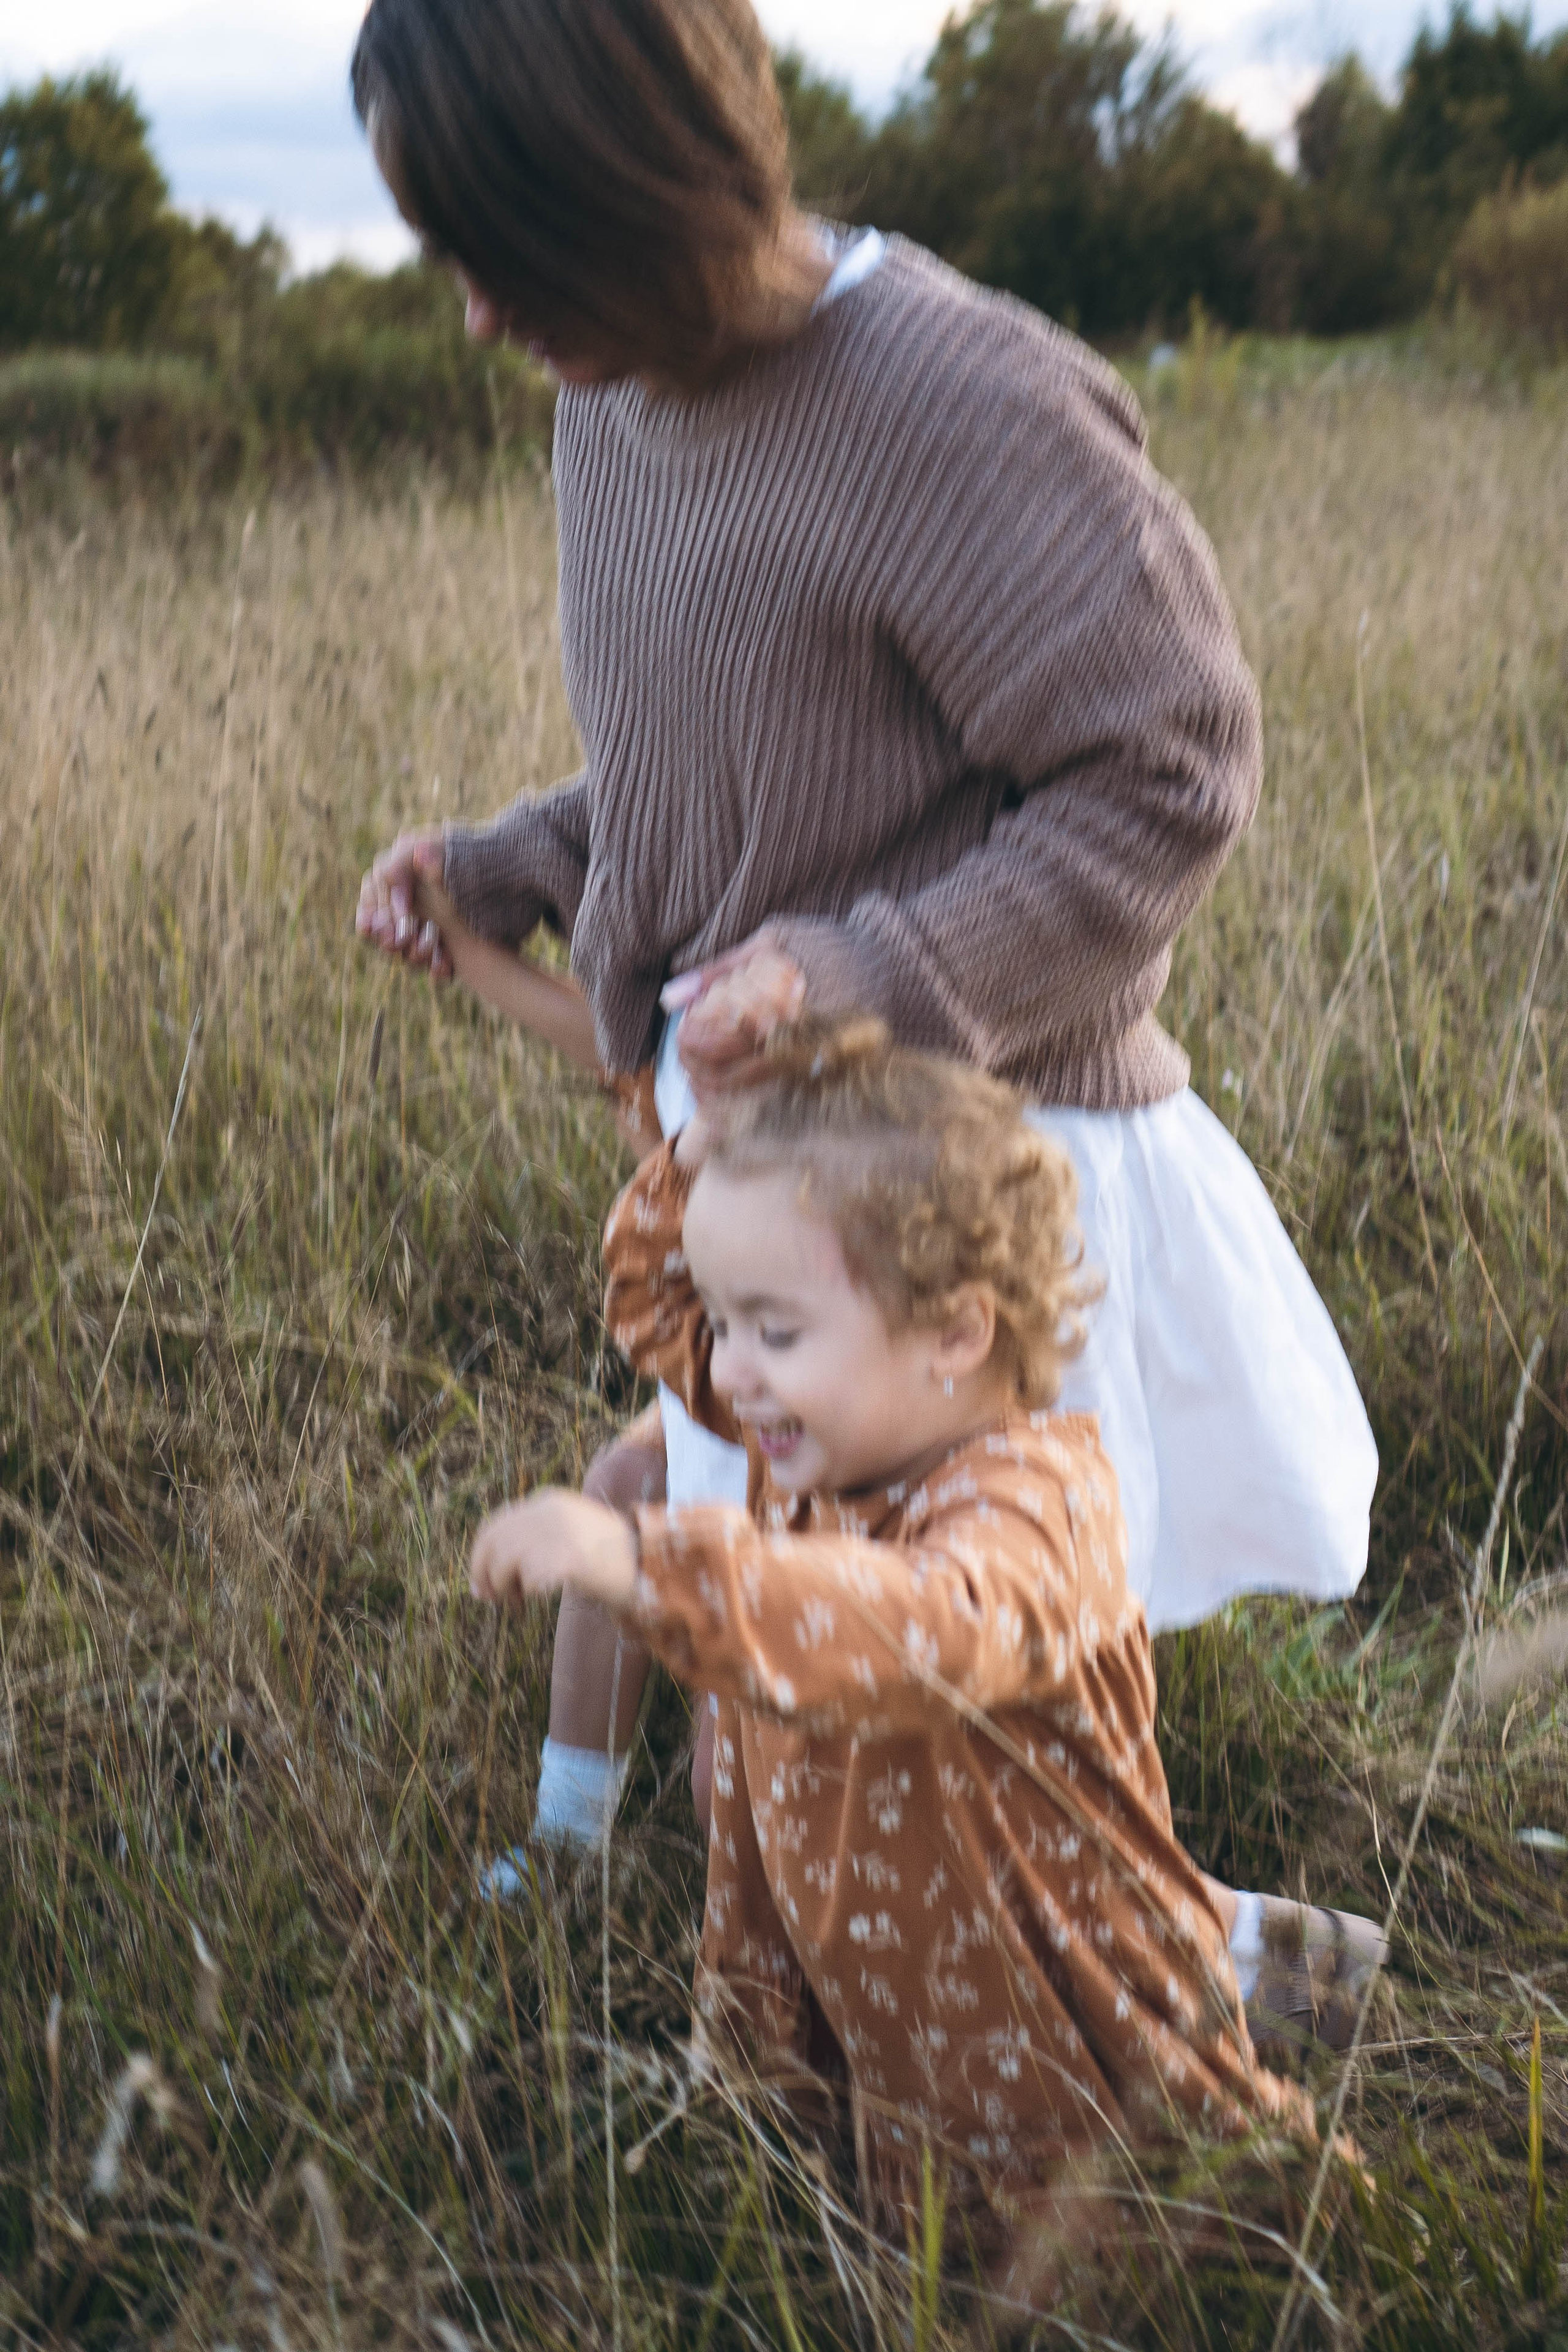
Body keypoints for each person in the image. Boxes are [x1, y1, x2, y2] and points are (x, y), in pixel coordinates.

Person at [350, 0, 1383, 2045]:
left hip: (961, 1165)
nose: (477, 317)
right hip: (770, 1169)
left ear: (638, 179)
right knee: (789, 1689)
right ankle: (794, 1960)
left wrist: (860, 972)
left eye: (505, 246)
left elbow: (1170, 770)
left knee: (949, 1695)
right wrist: (517, 859)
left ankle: (1223, 1992)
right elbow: (733, 751)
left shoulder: (956, 399)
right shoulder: (612, 391)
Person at [468, 1020, 1331, 2261]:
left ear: (955, 1331)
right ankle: (1321, 1979)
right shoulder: (826, 1430)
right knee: (890, 2156)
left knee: (1141, 2188)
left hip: (1034, 1974)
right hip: (881, 1932)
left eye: (771, 1329)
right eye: (728, 1322)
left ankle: (1345, 2000)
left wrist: (650, 1564)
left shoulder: (1038, 1502)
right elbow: (654, 1295)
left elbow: (928, 1627)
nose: (730, 1371)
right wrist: (700, 1150)